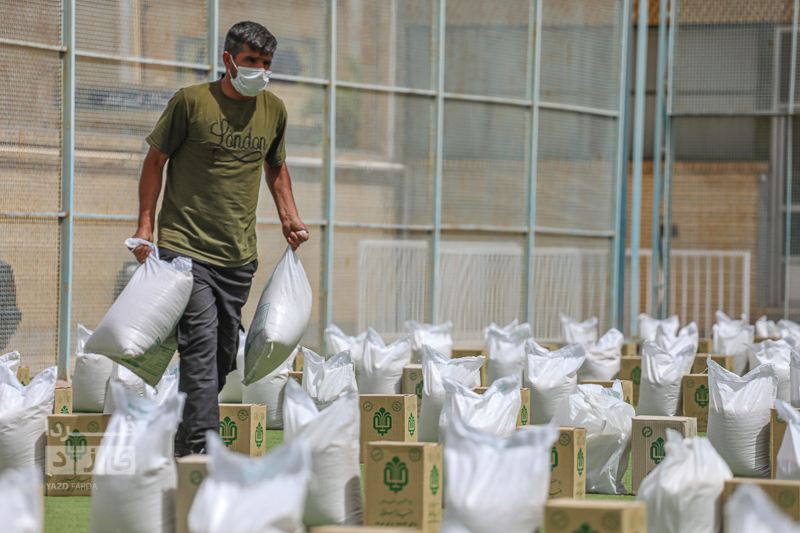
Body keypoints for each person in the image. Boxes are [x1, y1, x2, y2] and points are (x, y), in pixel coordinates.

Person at [130, 21, 308, 456]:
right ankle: (202, 450)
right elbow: (155, 162)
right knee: (200, 347)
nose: (260, 70)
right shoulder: (191, 102)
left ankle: (183, 438)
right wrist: (145, 225)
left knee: (224, 354)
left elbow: (276, 166)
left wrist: (289, 216)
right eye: (251, 61)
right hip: (184, 248)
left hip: (238, 255)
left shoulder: (274, 110)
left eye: (266, 63)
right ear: (228, 60)